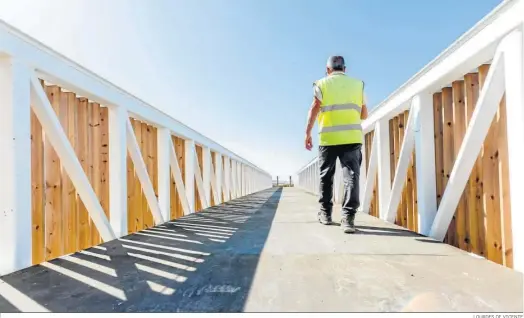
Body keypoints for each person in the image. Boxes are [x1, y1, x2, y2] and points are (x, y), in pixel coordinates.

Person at [304, 55, 368, 233]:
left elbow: (314, 108)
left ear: (328, 70)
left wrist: (307, 132)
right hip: (351, 138)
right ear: (345, 69)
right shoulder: (358, 85)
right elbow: (364, 115)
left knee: (326, 176)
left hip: (328, 138)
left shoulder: (321, 84)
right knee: (351, 177)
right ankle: (348, 218)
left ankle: (325, 214)